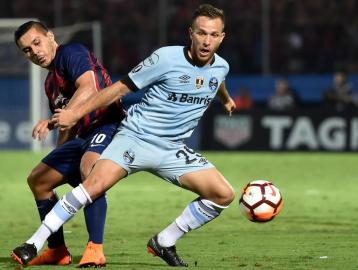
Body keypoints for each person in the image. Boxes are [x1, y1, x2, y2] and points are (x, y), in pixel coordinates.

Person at [12, 4, 236, 267]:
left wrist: (227, 100)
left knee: (223, 194)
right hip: (135, 137)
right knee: (91, 185)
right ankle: (34, 243)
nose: (206, 40)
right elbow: (118, 89)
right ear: (191, 33)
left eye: (213, 35)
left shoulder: (222, 66)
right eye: (201, 33)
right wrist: (70, 119)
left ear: (222, 37)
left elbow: (216, 79)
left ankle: (164, 241)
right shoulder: (165, 58)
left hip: (172, 149)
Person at [11, 21, 125, 267]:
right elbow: (68, 124)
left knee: (89, 170)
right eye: (27, 50)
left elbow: (90, 87)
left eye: (37, 42)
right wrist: (59, 155)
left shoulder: (71, 53)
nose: (35, 52)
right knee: (39, 180)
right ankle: (57, 251)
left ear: (50, 37)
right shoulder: (50, 83)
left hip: (109, 124)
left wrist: (57, 120)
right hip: (83, 137)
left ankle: (96, 249)